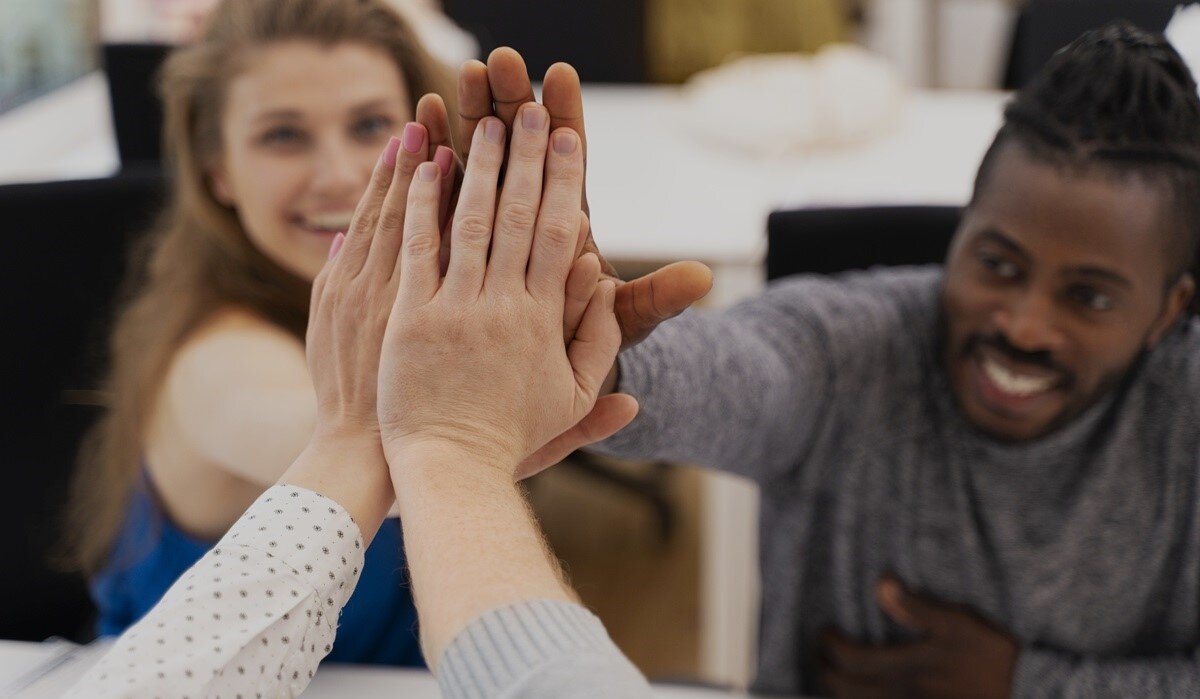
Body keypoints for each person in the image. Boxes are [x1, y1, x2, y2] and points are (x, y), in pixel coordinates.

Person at [568, 22, 1200, 698]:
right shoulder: (857, 351)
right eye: (998, 263)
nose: (1024, 325)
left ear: (1168, 310)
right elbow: (738, 367)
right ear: (961, 235)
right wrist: (601, 352)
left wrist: (1022, 682)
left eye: (1089, 297)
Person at [69, 112, 653, 698]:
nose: (340, 173)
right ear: (217, 172)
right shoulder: (216, 358)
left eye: (373, 127)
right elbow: (307, 427)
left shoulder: (427, 323)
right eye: (283, 134)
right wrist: (450, 436)